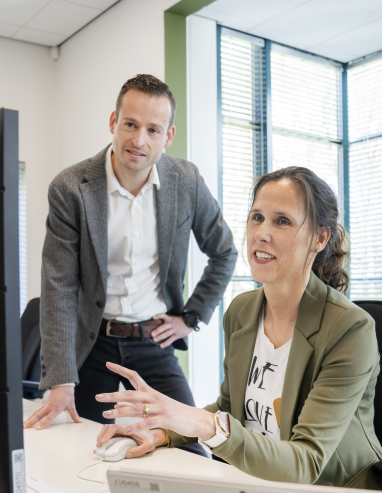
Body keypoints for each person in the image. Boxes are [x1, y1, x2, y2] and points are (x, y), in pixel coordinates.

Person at [93, 166, 382, 490]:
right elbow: (229, 409)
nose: (261, 233)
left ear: (320, 239)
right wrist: (160, 430)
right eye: (257, 217)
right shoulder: (241, 311)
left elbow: (306, 462)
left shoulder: (350, 329)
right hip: (257, 490)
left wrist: (204, 424)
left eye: (282, 221)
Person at [24, 74, 237, 430]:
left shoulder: (185, 181)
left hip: (153, 341)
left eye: (153, 130)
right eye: (131, 124)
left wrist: (191, 318)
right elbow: (58, 287)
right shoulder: (70, 188)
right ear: (113, 122)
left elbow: (225, 252)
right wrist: (60, 379)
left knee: (192, 445)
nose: (139, 140)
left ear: (168, 136)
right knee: (86, 448)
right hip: (92, 345)